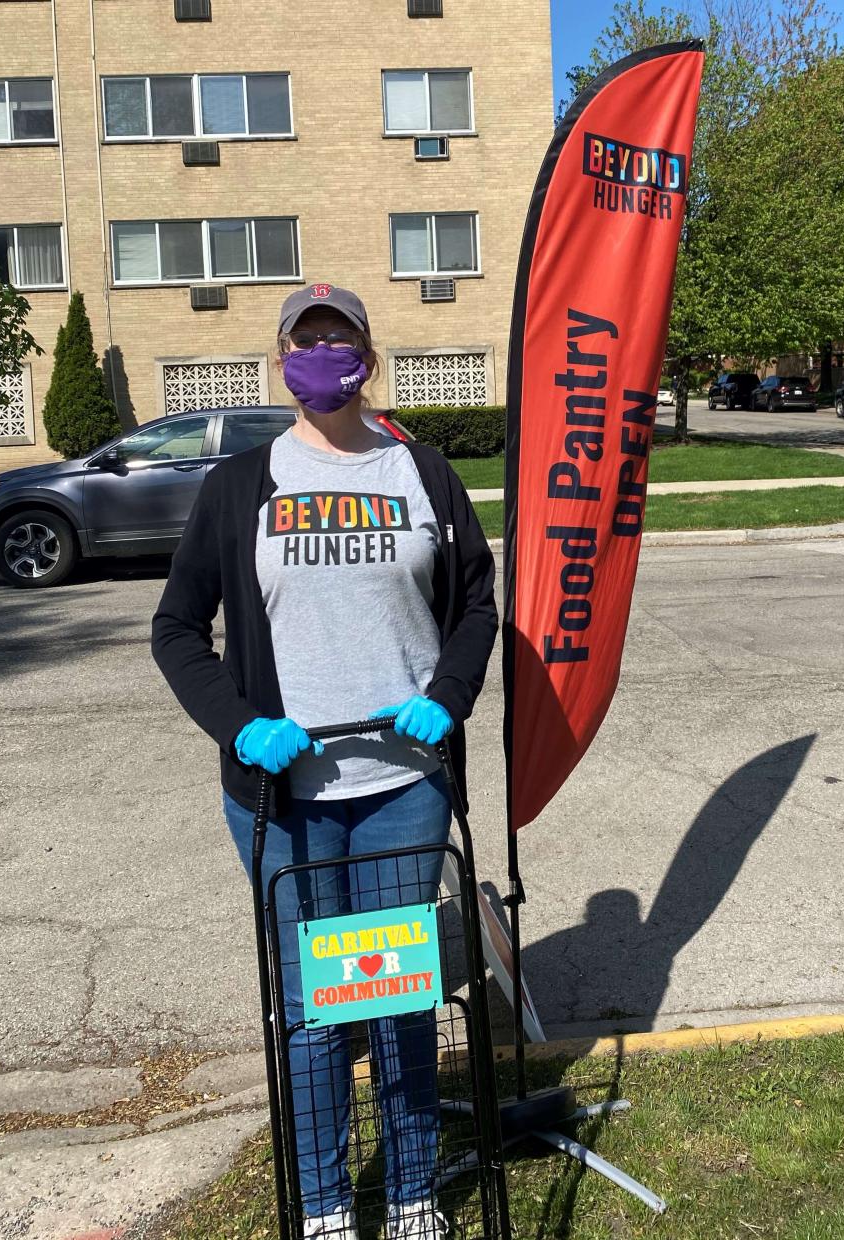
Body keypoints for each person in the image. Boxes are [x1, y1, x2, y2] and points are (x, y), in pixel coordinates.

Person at [151, 284, 497, 1240]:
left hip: (400, 789)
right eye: (304, 342)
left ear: (367, 358)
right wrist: (237, 724)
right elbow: (178, 629)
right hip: (282, 797)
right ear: (281, 360)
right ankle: (327, 1206)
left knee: (396, 997)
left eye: (337, 340)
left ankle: (416, 1194)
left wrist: (448, 696)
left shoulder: (421, 473)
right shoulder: (238, 486)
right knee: (311, 1012)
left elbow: (475, 604)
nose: (321, 356)